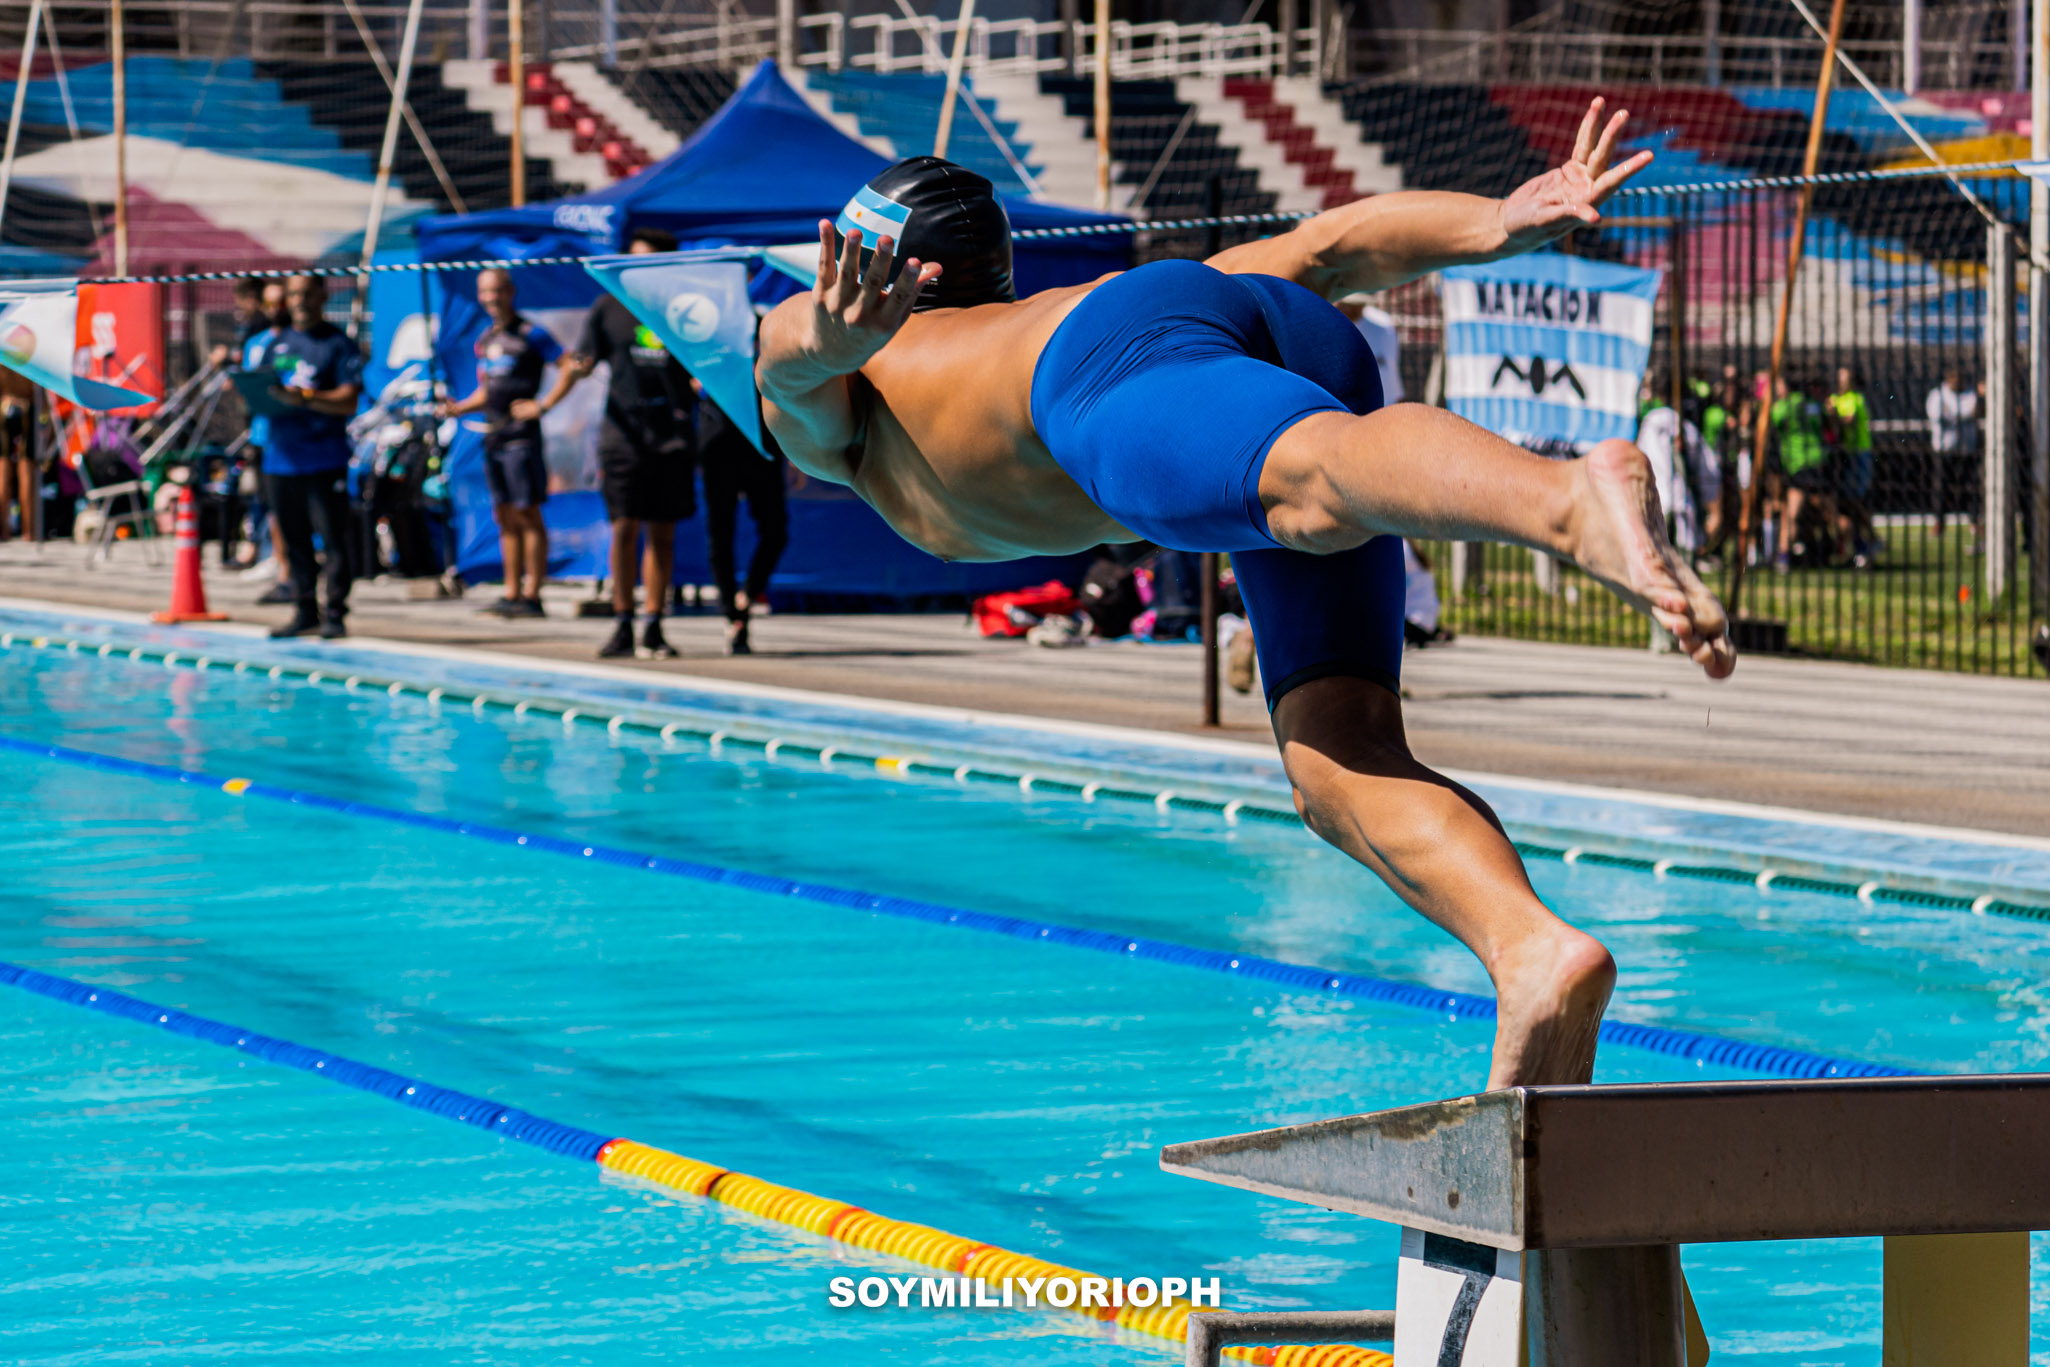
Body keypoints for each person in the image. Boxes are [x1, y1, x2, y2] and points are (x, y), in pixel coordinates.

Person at [745, 98, 1732, 1090]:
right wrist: (1502, 220)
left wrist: (824, 339)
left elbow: (785, 356)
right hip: (1226, 315)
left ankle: (1567, 495)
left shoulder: (853, 395)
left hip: (1103, 367)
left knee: (1314, 482)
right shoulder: (998, 327)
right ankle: (1532, 950)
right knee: (1336, 757)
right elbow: (1332, 244)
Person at [567, 227, 699, 660]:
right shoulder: (609, 306)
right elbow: (582, 362)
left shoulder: (686, 309)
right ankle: (623, 621)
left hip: (672, 438)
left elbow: (710, 366)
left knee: (663, 535)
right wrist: (566, 381)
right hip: (622, 437)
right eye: (634, 258)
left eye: (649, 260)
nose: (639, 267)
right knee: (625, 528)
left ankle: (654, 626)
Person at [441, 267, 573, 617]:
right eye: (484, 292)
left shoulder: (531, 334)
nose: (490, 299)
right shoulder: (486, 339)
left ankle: (533, 594)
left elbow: (570, 366)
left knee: (528, 513)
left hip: (521, 439)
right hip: (494, 435)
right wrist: (459, 407)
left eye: (497, 291)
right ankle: (512, 591)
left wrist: (542, 405)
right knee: (505, 516)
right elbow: (488, 389)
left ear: (510, 292)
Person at [252, 274, 363, 639]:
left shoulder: (337, 344)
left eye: (306, 293)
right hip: (281, 458)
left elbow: (348, 400)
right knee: (293, 539)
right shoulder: (279, 344)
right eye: (294, 294)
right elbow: (265, 390)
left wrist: (306, 399)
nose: (299, 300)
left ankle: (334, 612)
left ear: (321, 296)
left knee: (332, 539)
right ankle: (304, 608)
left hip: (323, 457)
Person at [700, 393, 788, 655]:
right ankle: (733, 615)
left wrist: (795, 452)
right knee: (720, 534)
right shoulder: (708, 351)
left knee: (776, 532)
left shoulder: (764, 351)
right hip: (718, 441)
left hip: (762, 441)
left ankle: (747, 596)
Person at [1636, 366, 1721, 558]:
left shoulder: (1649, 424)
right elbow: (1708, 469)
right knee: (1683, 572)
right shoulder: (1686, 428)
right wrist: (1714, 510)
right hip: (1682, 504)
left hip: (1657, 504)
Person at [1767, 372, 1831, 572]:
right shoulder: (1811, 404)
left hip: (1798, 464)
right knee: (1823, 509)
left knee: (1792, 512)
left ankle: (1783, 556)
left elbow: (1770, 421)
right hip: (1817, 460)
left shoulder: (1783, 406)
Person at [1826, 366, 1877, 566]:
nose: (1841, 380)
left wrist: (1832, 413)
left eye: (1845, 377)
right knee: (1846, 501)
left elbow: (1848, 420)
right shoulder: (1836, 399)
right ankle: (1859, 542)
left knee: (1855, 498)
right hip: (1845, 454)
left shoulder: (1855, 399)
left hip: (1859, 453)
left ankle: (1868, 538)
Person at [1926, 367, 1981, 543]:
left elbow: (1975, 412)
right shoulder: (1937, 395)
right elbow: (1939, 416)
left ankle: (1974, 521)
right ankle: (1939, 522)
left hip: (1967, 450)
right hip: (1944, 450)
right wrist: (1964, 415)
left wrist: (1955, 415)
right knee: (1941, 488)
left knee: (1970, 487)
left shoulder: (1970, 393)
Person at [0, 365, 35, 541]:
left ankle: (4, 530)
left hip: (4, 405)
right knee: (26, 468)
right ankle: (29, 530)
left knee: (3, 468)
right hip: (27, 406)